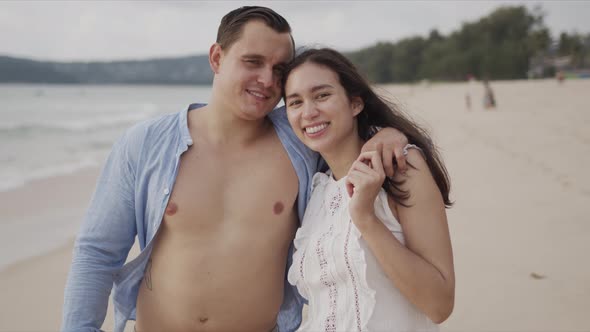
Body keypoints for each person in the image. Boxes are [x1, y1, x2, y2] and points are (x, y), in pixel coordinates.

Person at [61, 7, 410, 332]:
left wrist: (384, 135)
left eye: (279, 70)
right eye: (252, 62)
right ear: (217, 58)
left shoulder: (301, 143)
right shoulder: (145, 144)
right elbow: (97, 252)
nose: (266, 79)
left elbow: (346, 127)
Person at [282, 48, 455, 331]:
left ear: (355, 103)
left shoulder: (401, 167)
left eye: (322, 95)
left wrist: (365, 218)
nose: (309, 112)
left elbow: (439, 304)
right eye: (295, 102)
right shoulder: (316, 192)